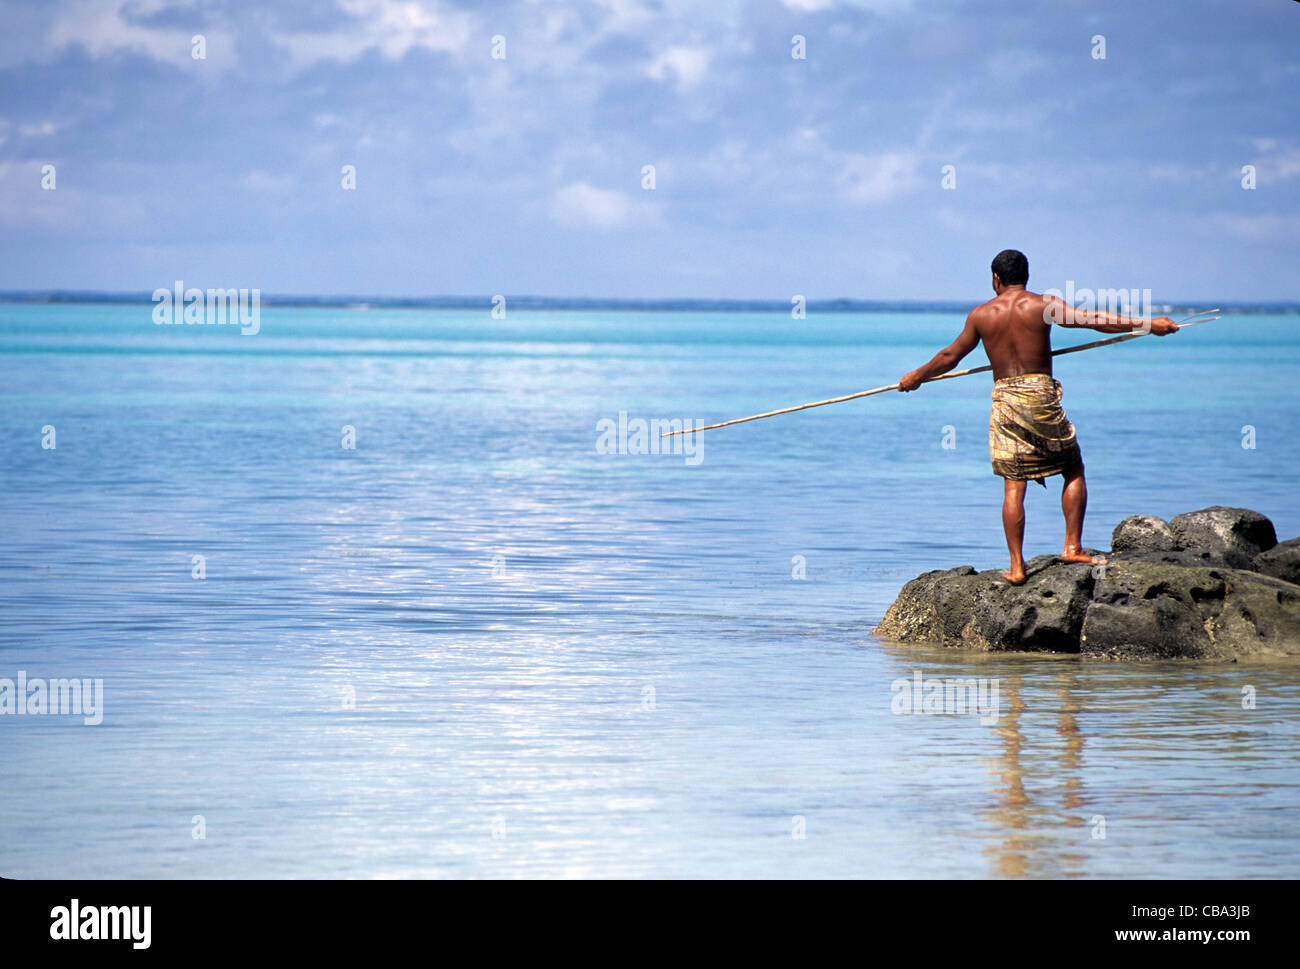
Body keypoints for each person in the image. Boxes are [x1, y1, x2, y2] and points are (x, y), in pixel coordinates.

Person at [898, 249, 1179, 584]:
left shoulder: (981, 315)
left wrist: (917, 376)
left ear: (995, 279)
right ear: (1025, 277)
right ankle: (1072, 546)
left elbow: (949, 356)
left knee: (1014, 485)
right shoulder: (1042, 305)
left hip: (1005, 397)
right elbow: (1093, 319)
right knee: (1072, 467)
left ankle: (1017, 568)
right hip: (1040, 394)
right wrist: (1148, 325)